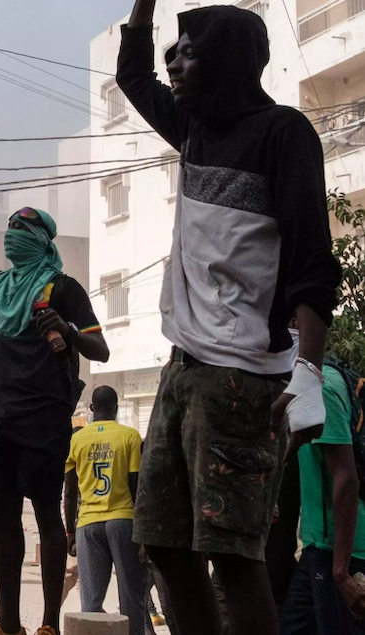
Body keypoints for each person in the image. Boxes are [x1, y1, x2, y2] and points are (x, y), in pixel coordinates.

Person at [117, 3, 341, 634]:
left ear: (227, 62)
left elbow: (312, 262)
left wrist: (309, 371)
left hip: (243, 378)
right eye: (174, 48)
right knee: (163, 543)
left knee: (232, 554)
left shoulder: (282, 133)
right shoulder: (192, 128)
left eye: (188, 50)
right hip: (181, 368)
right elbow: (134, 74)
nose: (173, 60)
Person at [0, 208, 109, 635]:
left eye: (21, 229)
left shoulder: (64, 288)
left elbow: (99, 349)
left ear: (42, 239)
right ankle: (9, 624)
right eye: (8, 228)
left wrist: (67, 330)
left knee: (47, 513)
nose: (11, 236)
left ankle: (48, 624)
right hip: (1, 417)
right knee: (6, 517)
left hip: (46, 417)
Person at [279, 359, 365, 634]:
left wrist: (340, 571)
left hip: (341, 547)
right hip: (317, 544)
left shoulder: (322, 389)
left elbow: (346, 479)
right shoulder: (311, 386)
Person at [63, 387, 152, 635]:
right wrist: (144, 532)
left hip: (88, 524)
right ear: (116, 408)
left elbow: (70, 492)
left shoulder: (77, 439)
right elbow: (137, 487)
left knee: (90, 601)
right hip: (123, 521)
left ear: (91, 408)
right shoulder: (130, 436)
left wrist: (70, 531)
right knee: (131, 596)